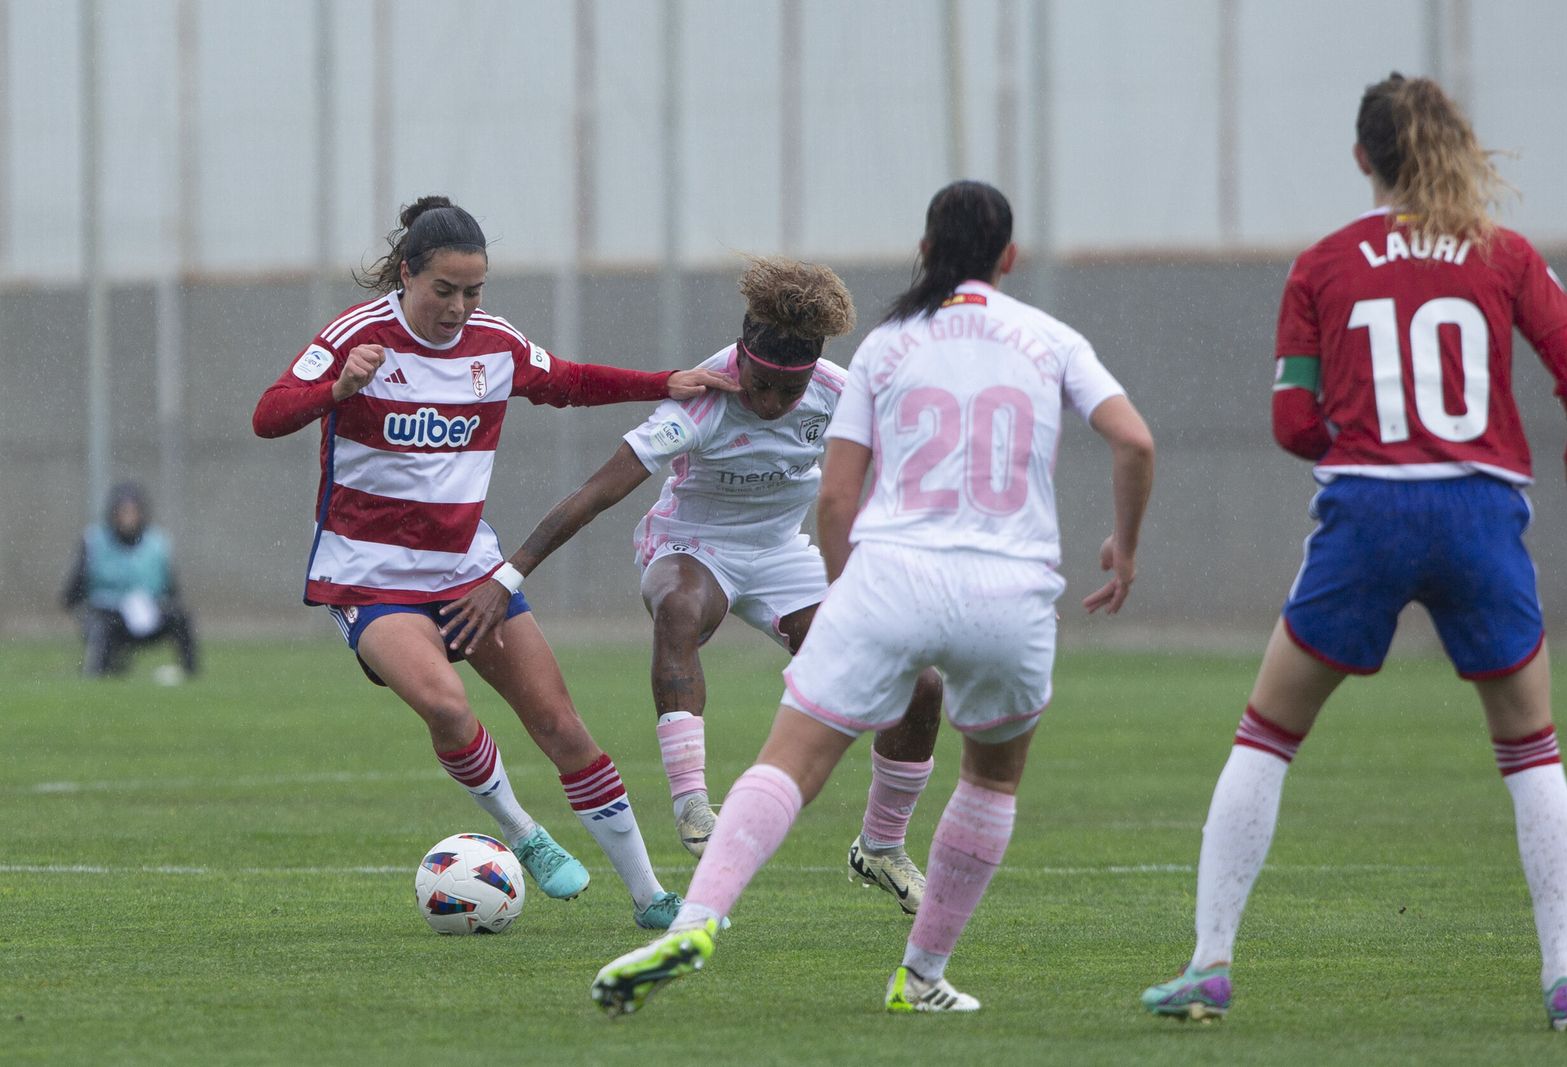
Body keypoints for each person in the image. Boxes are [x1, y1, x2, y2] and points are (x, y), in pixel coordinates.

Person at [589, 180, 1155, 1015]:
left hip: (898, 576)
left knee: (792, 759)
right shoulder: (1051, 338)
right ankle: (920, 973)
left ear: (924, 252)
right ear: (1009, 258)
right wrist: (1126, 548)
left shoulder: (888, 348)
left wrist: (851, 589)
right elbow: (1134, 439)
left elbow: (839, 499)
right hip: (1015, 590)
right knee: (991, 782)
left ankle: (695, 920)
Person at [1140, 74, 1567, 1031]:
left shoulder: (1323, 264)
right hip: (1481, 514)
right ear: (1455, 146)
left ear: (1363, 159)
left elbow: (1292, 420)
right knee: (1531, 750)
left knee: (1266, 734)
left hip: (1370, 514)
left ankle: (1210, 963)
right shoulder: (1505, 254)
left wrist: (1356, 449)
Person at [251, 195, 736, 930]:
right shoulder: (358, 335)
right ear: (407, 275)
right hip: (370, 577)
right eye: (443, 289)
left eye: (473, 291)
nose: (458, 307)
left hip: (468, 572)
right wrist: (336, 389)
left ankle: (651, 898)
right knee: (446, 704)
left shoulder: (494, 343)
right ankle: (524, 833)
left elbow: (566, 381)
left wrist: (662, 381)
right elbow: (268, 414)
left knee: (561, 724)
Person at [441, 256, 945, 913]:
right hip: (690, 545)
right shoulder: (706, 400)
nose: (768, 404)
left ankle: (882, 845)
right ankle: (692, 804)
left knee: (920, 685)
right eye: (760, 385)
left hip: (782, 553)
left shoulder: (842, 393)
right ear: (742, 360)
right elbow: (597, 492)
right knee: (679, 607)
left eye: (785, 394)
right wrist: (509, 575)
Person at [61, 482, 199, 680]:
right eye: (123, 512)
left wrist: (155, 605)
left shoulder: (157, 543)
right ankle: (96, 672)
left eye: (132, 512)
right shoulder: (94, 541)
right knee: (102, 627)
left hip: (147, 610)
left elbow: (171, 589)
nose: (128, 518)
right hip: (108, 612)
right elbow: (72, 591)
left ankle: (189, 673)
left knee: (181, 617)